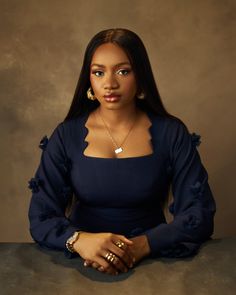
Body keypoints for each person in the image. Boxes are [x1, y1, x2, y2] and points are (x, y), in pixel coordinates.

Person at [28, 28, 216, 275]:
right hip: (79, 264)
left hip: (153, 263)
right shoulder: (66, 135)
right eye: (98, 72)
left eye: (123, 71)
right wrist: (80, 240)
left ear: (140, 76)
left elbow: (198, 213)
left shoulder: (171, 133)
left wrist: (142, 246)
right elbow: (41, 216)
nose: (109, 83)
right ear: (89, 80)